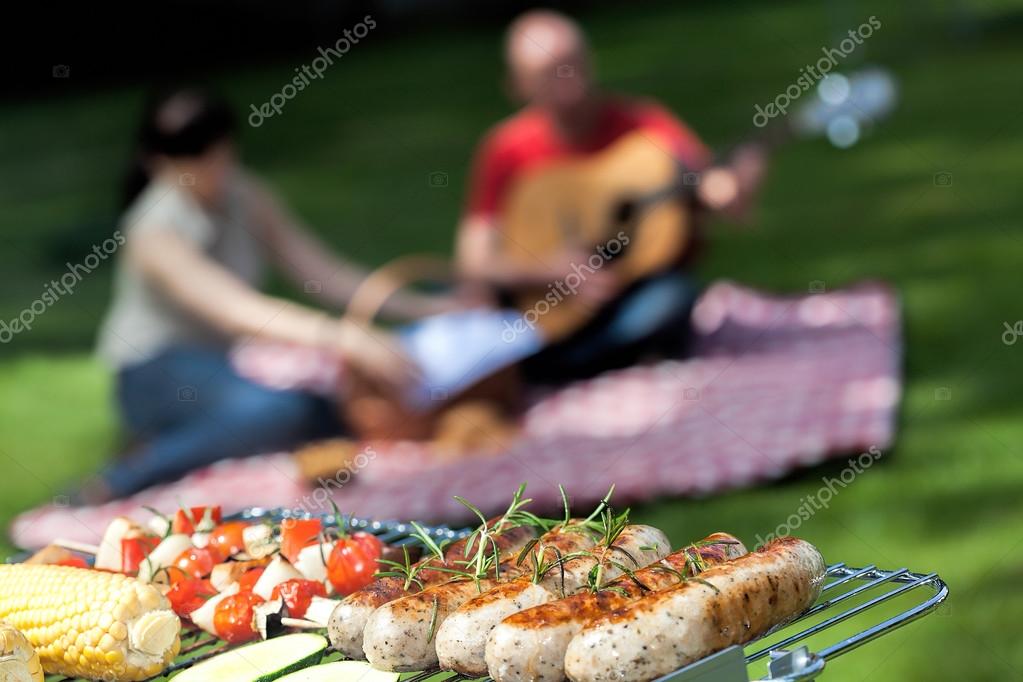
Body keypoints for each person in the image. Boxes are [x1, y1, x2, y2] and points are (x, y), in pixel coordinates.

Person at [80, 88, 438, 503]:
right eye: (194, 157)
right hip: (154, 371)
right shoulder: (153, 229)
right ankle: (119, 479)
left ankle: (203, 435)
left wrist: (424, 305)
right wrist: (346, 336)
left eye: (217, 152)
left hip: (221, 364)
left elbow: (320, 271)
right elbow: (237, 310)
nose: (211, 168)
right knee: (275, 412)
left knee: (326, 409)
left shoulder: (245, 194)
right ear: (157, 162)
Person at [456, 10, 767, 380]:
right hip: (545, 308)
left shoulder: (644, 125)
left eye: (572, 64)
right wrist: (550, 270)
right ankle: (589, 358)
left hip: (630, 296)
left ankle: (568, 363)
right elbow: (474, 260)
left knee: (670, 298)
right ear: (518, 85)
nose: (567, 81)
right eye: (548, 73)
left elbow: (709, 186)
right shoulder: (506, 151)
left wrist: (730, 191)